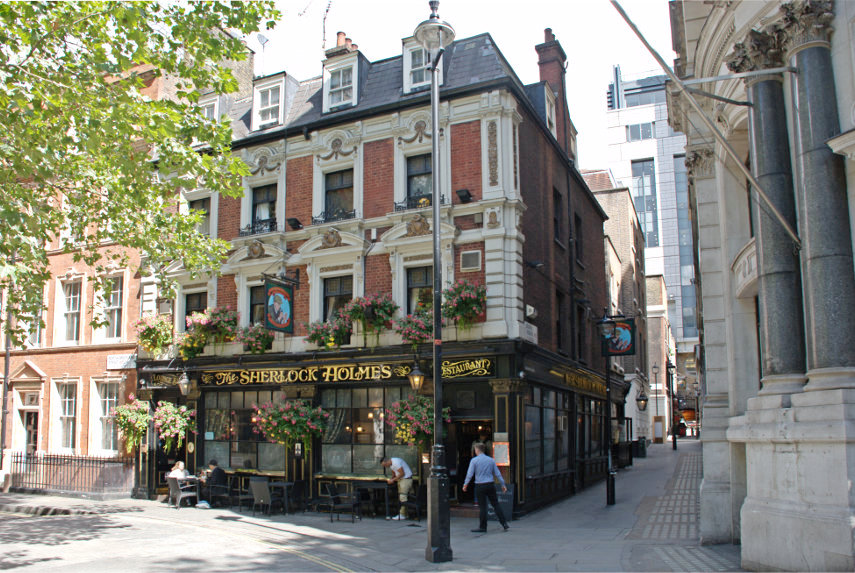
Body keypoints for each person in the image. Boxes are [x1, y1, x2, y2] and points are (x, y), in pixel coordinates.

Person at [462, 443, 509, 533]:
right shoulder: (491, 460)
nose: (475, 451)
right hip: (490, 484)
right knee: (496, 504)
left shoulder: (474, 461)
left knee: (483, 507)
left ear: (477, 450)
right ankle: (504, 523)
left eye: (475, 450)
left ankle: (483, 527)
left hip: (480, 485)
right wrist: (503, 484)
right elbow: (497, 473)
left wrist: (465, 484)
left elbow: (470, 474)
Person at [381, 456, 413, 521]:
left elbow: (402, 473)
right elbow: (394, 472)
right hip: (401, 480)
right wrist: (392, 478)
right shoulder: (391, 464)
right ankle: (405, 513)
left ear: (387, 461)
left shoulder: (396, 462)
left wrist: (393, 480)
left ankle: (402, 514)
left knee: (403, 496)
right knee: (401, 496)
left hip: (405, 479)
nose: (385, 466)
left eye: (385, 465)